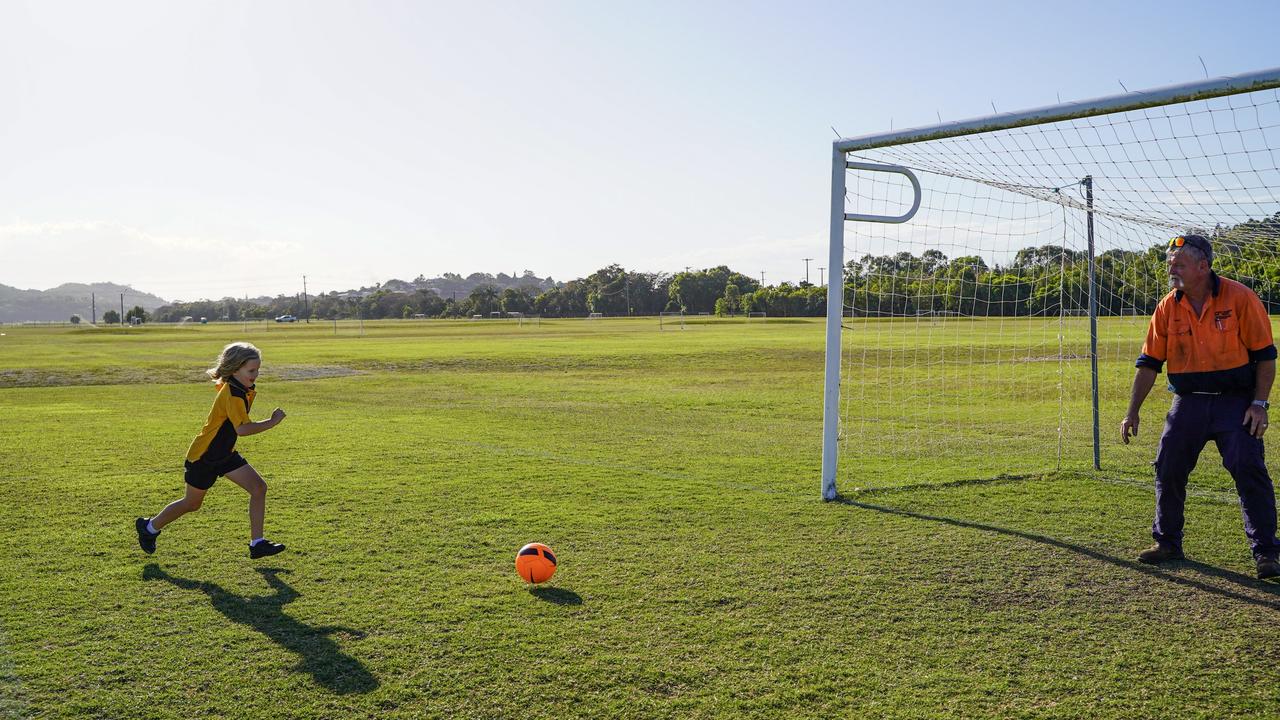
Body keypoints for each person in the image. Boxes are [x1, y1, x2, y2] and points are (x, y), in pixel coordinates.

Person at [1121, 234, 1280, 580]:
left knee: (1248, 469)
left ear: (1203, 266)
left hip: (1235, 403)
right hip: (1188, 404)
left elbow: (1266, 357)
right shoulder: (1167, 306)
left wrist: (1259, 403)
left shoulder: (1241, 298)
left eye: (1178, 264)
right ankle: (1167, 543)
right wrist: (1132, 411)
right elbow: (1149, 363)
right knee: (1168, 467)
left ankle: (1267, 552)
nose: (1171, 269)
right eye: (1169, 263)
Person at [135, 341, 288, 559]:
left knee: (258, 488)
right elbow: (242, 429)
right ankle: (149, 527)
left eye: (258, 369)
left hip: (224, 455)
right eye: (252, 370)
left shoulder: (239, 387)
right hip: (204, 457)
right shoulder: (234, 393)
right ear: (235, 369)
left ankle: (258, 544)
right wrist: (272, 422)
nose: (256, 374)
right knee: (192, 503)